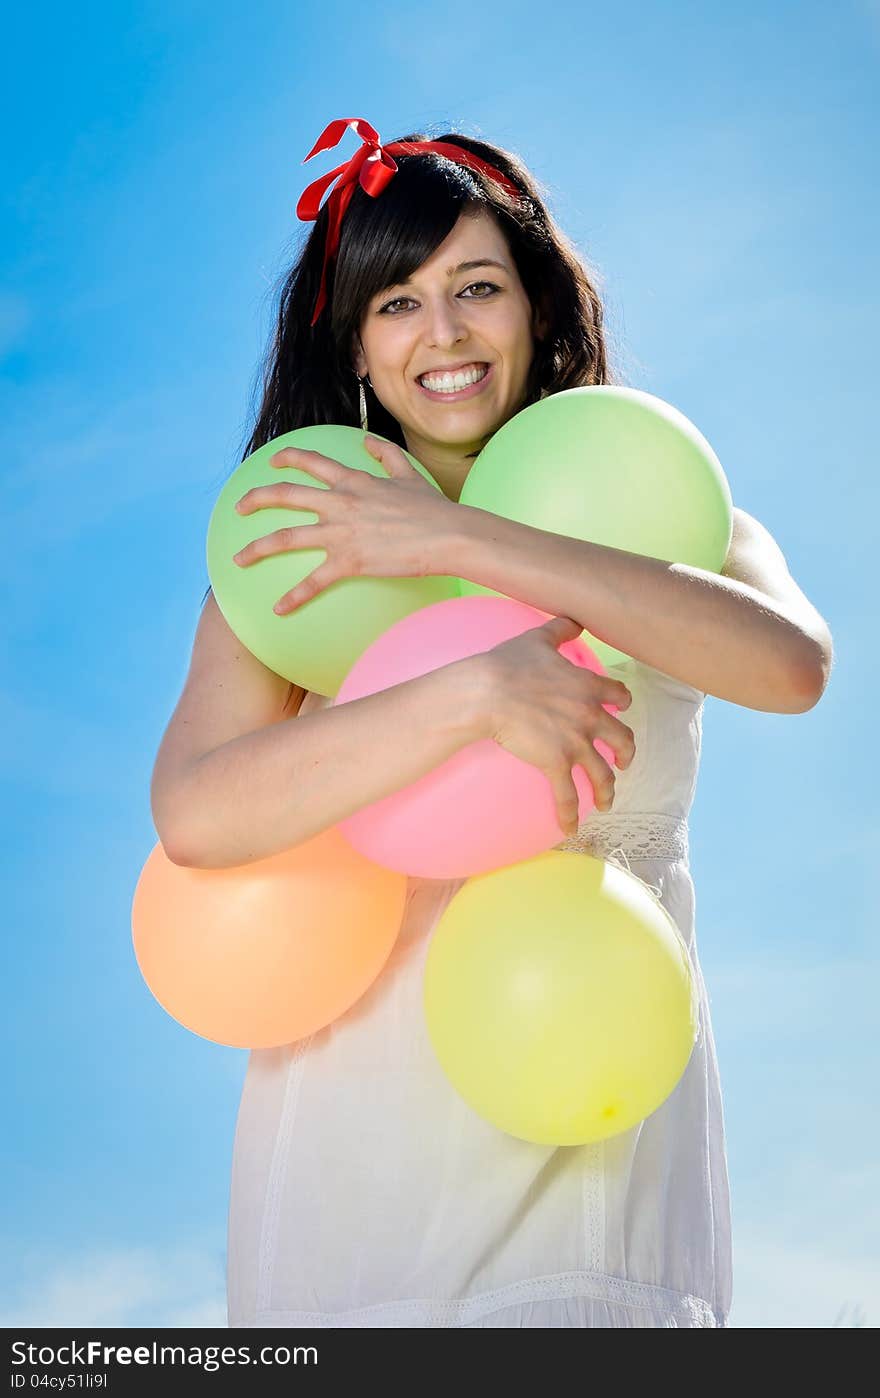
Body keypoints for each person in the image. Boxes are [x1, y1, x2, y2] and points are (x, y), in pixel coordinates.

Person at [149, 118, 833, 1328]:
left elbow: (788, 666)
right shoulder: (293, 559)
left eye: (478, 289)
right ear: (354, 342)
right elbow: (199, 816)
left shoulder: (664, 508)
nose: (445, 334)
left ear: (539, 309)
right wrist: (470, 692)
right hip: (356, 1159)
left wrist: (463, 541)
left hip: (592, 1120)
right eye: (396, 304)